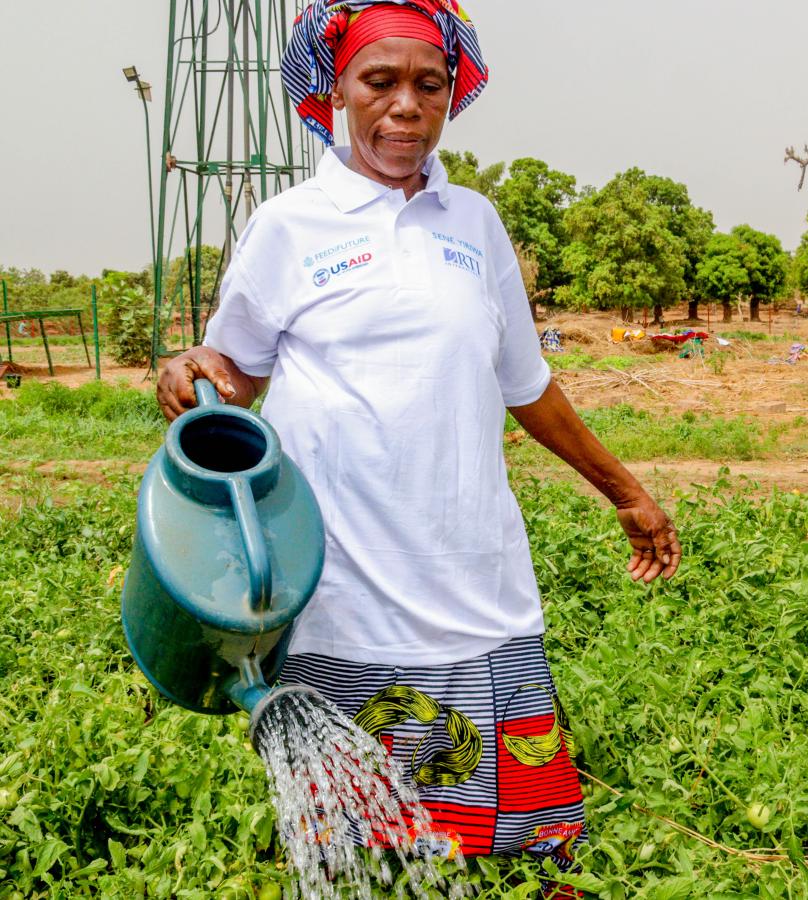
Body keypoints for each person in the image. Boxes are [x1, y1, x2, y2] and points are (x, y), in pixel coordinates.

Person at [155, 0, 681, 890]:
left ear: (449, 97)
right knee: (363, 856)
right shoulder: (290, 226)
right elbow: (233, 377)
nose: (405, 104)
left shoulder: (474, 223)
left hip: (472, 567)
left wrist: (625, 490)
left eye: (427, 85)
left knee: (514, 850)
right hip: (344, 581)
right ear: (337, 94)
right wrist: (194, 367)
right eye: (380, 81)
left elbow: (528, 385)